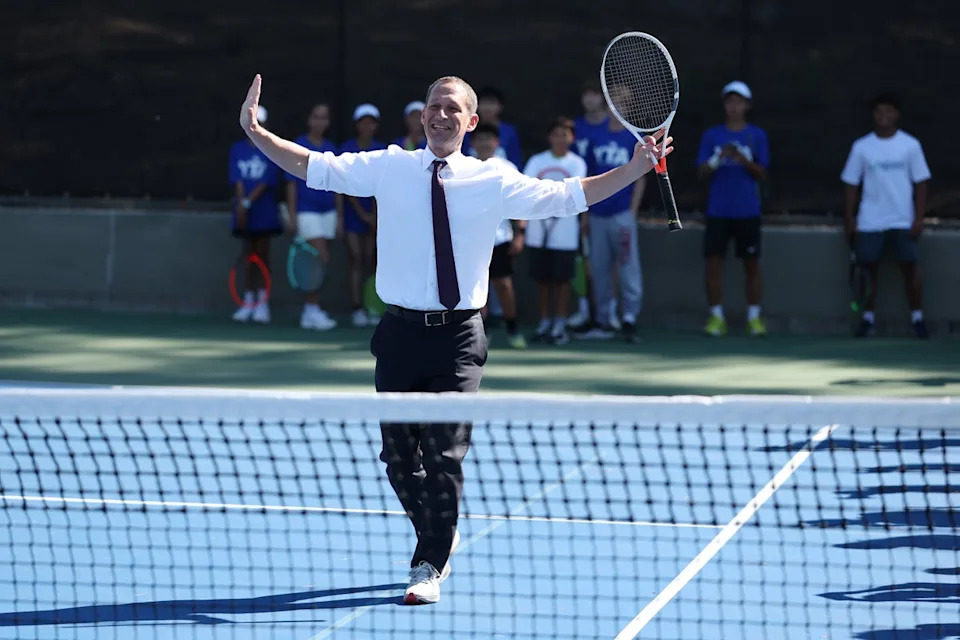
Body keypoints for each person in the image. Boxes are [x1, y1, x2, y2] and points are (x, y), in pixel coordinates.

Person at [237, 73, 671, 606]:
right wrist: (258, 133)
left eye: (452, 109)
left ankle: (429, 560)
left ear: (470, 122)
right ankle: (440, 526)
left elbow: (567, 197)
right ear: (422, 118)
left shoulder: (493, 179)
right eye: (433, 107)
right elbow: (312, 167)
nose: (441, 115)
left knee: (443, 456)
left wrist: (634, 168)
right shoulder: (390, 166)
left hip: (460, 338)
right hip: (397, 334)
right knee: (399, 462)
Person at [841, 93, 931, 339]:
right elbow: (851, 184)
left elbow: (921, 182)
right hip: (870, 221)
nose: (884, 116)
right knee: (869, 271)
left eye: (889, 111)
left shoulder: (910, 145)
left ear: (896, 115)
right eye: (879, 111)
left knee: (910, 269)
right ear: (873, 115)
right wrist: (850, 220)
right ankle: (868, 319)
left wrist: (919, 217)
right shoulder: (861, 147)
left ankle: (918, 319)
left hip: (903, 219)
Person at [695, 81, 770, 337]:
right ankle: (716, 318)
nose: (734, 107)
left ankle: (754, 318)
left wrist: (743, 159)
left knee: (751, 264)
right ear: (725, 105)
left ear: (747, 106)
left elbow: (762, 173)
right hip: (717, 212)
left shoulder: (757, 135)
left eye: (739, 102)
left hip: (748, 211)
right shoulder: (712, 136)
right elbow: (701, 172)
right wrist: (719, 158)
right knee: (713, 264)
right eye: (730, 101)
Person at [573, 91, 646, 343]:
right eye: (614, 104)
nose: (618, 108)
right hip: (597, 215)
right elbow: (588, 177)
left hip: (622, 215)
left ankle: (629, 319)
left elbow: (641, 179)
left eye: (624, 104)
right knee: (600, 269)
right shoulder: (596, 137)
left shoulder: (632, 138)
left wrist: (632, 212)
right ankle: (603, 320)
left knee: (628, 266)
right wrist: (586, 212)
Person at [523, 117, 588, 345]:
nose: (561, 138)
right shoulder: (536, 161)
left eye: (565, 134)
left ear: (572, 138)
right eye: (556, 133)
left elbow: (575, 192)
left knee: (562, 281)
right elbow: (528, 189)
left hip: (566, 234)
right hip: (537, 232)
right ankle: (544, 323)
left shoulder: (577, 163)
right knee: (542, 280)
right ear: (549, 137)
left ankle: (559, 325)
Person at [470, 122, 527, 349]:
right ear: (472, 143)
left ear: (497, 142)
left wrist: (520, 234)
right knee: (475, 288)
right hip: (471, 241)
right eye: (479, 138)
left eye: (489, 138)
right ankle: (479, 333)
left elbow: (522, 201)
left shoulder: (507, 168)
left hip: (500, 239)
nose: (484, 143)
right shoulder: (463, 167)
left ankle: (512, 328)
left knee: (503, 285)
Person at [286, 103, 339, 331]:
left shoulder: (330, 148)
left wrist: (340, 216)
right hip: (306, 210)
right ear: (309, 120)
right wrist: (292, 214)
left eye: (324, 118)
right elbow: (290, 184)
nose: (320, 122)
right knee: (318, 257)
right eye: (316, 117)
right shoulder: (299, 145)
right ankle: (311, 308)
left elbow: (338, 183)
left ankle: (312, 309)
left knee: (322, 260)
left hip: (328, 211)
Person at [229, 105, 281, 324]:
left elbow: (267, 181)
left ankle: (262, 303)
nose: (253, 125)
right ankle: (248, 301)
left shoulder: (272, 148)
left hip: (264, 211)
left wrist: (249, 203)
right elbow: (237, 180)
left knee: (263, 256)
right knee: (247, 255)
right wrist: (242, 204)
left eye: (258, 122)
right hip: (243, 212)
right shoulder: (237, 150)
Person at [569, 81, 611, 328]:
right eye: (586, 93)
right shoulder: (575, 128)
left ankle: (610, 314)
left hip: (605, 205)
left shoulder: (613, 128)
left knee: (606, 263)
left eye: (595, 94)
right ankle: (585, 310)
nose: (590, 99)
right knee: (581, 260)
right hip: (576, 203)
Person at [341, 104, 387, 326]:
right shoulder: (348, 148)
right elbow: (346, 185)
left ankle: (372, 307)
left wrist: (375, 216)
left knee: (371, 261)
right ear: (357, 125)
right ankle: (356, 308)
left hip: (376, 216)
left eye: (371, 122)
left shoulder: (382, 151)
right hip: (353, 216)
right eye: (363, 122)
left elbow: (382, 186)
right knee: (356, 259)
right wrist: (362, 214)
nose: (367, 126)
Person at [462, 86, 523, 168]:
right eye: (484, 103)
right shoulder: (466, 130)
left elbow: (515, 159)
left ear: (500, 106)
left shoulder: (509, 132)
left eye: (492, 103)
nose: (487, 108)